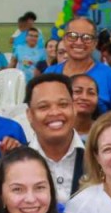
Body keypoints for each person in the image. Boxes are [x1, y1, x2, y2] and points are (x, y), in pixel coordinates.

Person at [46, 17, 111, 113]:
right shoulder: (50, 73)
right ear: (64, 40)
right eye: (72, 36)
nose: (79, 42)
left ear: (95, 43)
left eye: (86, 37)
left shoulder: (108, 75)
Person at [25, 73, 86, 204]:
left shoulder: (98, 157)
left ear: (74, 108)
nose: (55, 112)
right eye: (43, 107)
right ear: (29, 115)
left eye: (63, 104)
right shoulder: (15, 162)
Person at [72, 73, 100, 142]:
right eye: (77, 91)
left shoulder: (103, 131)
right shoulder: (56, 131)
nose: (84, 97)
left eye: (91, 93)